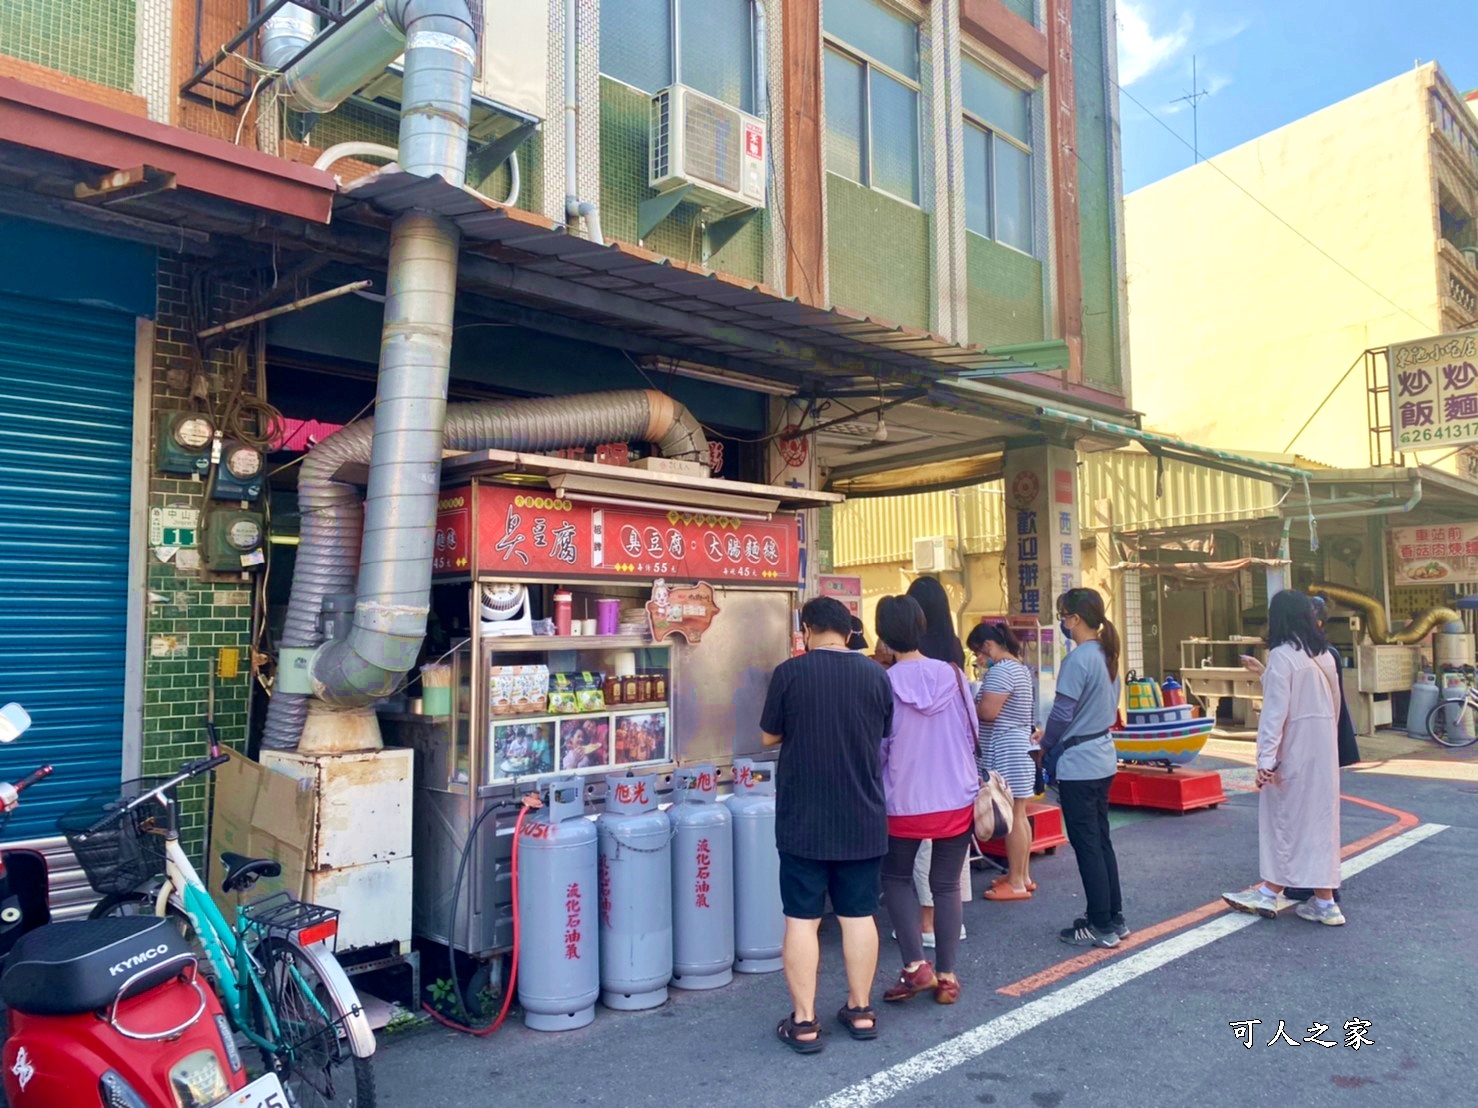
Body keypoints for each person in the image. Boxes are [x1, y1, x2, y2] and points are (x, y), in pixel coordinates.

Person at [761, 596, 895, 1053]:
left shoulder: (790, 672)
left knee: (802, 919)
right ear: (848, 631)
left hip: (804, 819)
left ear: (809, 629)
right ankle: (860, 1011)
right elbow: (883, 731)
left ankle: (804, 1022)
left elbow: (767, 735)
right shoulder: (876, 675)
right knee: (859, 915)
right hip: (862, 814)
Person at [875, 595, 979, 1006]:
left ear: (883, 636)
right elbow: (972, 731)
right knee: (947, 883)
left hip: (904, 798)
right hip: (956, 794)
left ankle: (916, 966)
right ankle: (948, 976)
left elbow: (881, 747)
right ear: (921, 627)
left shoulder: (884, 682)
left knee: (897, 877)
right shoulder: (953, 675)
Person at [1223, 590, 1344, 925]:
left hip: (1292, 751)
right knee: (1321, 825)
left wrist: (1265, 761)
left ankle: (1267, 893)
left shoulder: (1282, 655)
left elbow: (1275, 713)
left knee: (1283, 822)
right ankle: (1325, 903)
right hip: (1323, 751)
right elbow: (1333, 707)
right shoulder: (1324, 655)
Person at [1041, 587, 1129, 948]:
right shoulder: (1106, 654)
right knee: (1101, 840)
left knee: (1087, 844)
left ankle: (1100, 924)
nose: (1062, 622)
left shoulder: (1078, 659)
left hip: (1079, 762)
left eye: (1064, 615)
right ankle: (1113, 917)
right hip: (1103, 756)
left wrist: (1045, 744)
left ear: (1075, 619)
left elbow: (1062, 713)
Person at [903, 576, 970, 942]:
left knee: (922, 847)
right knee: (949, 848)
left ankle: (927, 924)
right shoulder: (954, 653)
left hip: (919, 767)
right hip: (954, 765)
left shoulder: (910, 661)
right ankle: (949, 920)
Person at [968, 621, 1038, 900]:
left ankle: (1018, 883)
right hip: (1019, 746)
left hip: (1006, 748)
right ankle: (1022, 875)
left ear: (987, 646)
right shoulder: (1019, 668)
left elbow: (987, 713)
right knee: (1020, 814)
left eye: (977, 652)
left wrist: (968, 703)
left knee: (1015, 816)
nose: (978, 659)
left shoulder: (1001, 672)